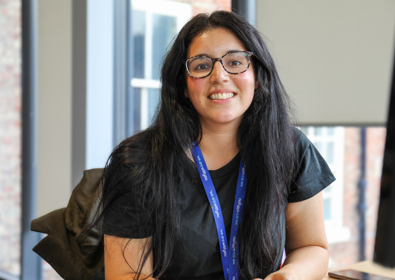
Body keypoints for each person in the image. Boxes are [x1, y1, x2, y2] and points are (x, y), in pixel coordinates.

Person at [98, 10, 335, 280]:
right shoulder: (138, 163)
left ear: (257, 77)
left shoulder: (291, 149)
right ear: (183, 86)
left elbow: (312, 247)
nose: (219, 76)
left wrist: (287, 277)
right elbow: (126, 276)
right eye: (201, 65)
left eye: (235, 62)